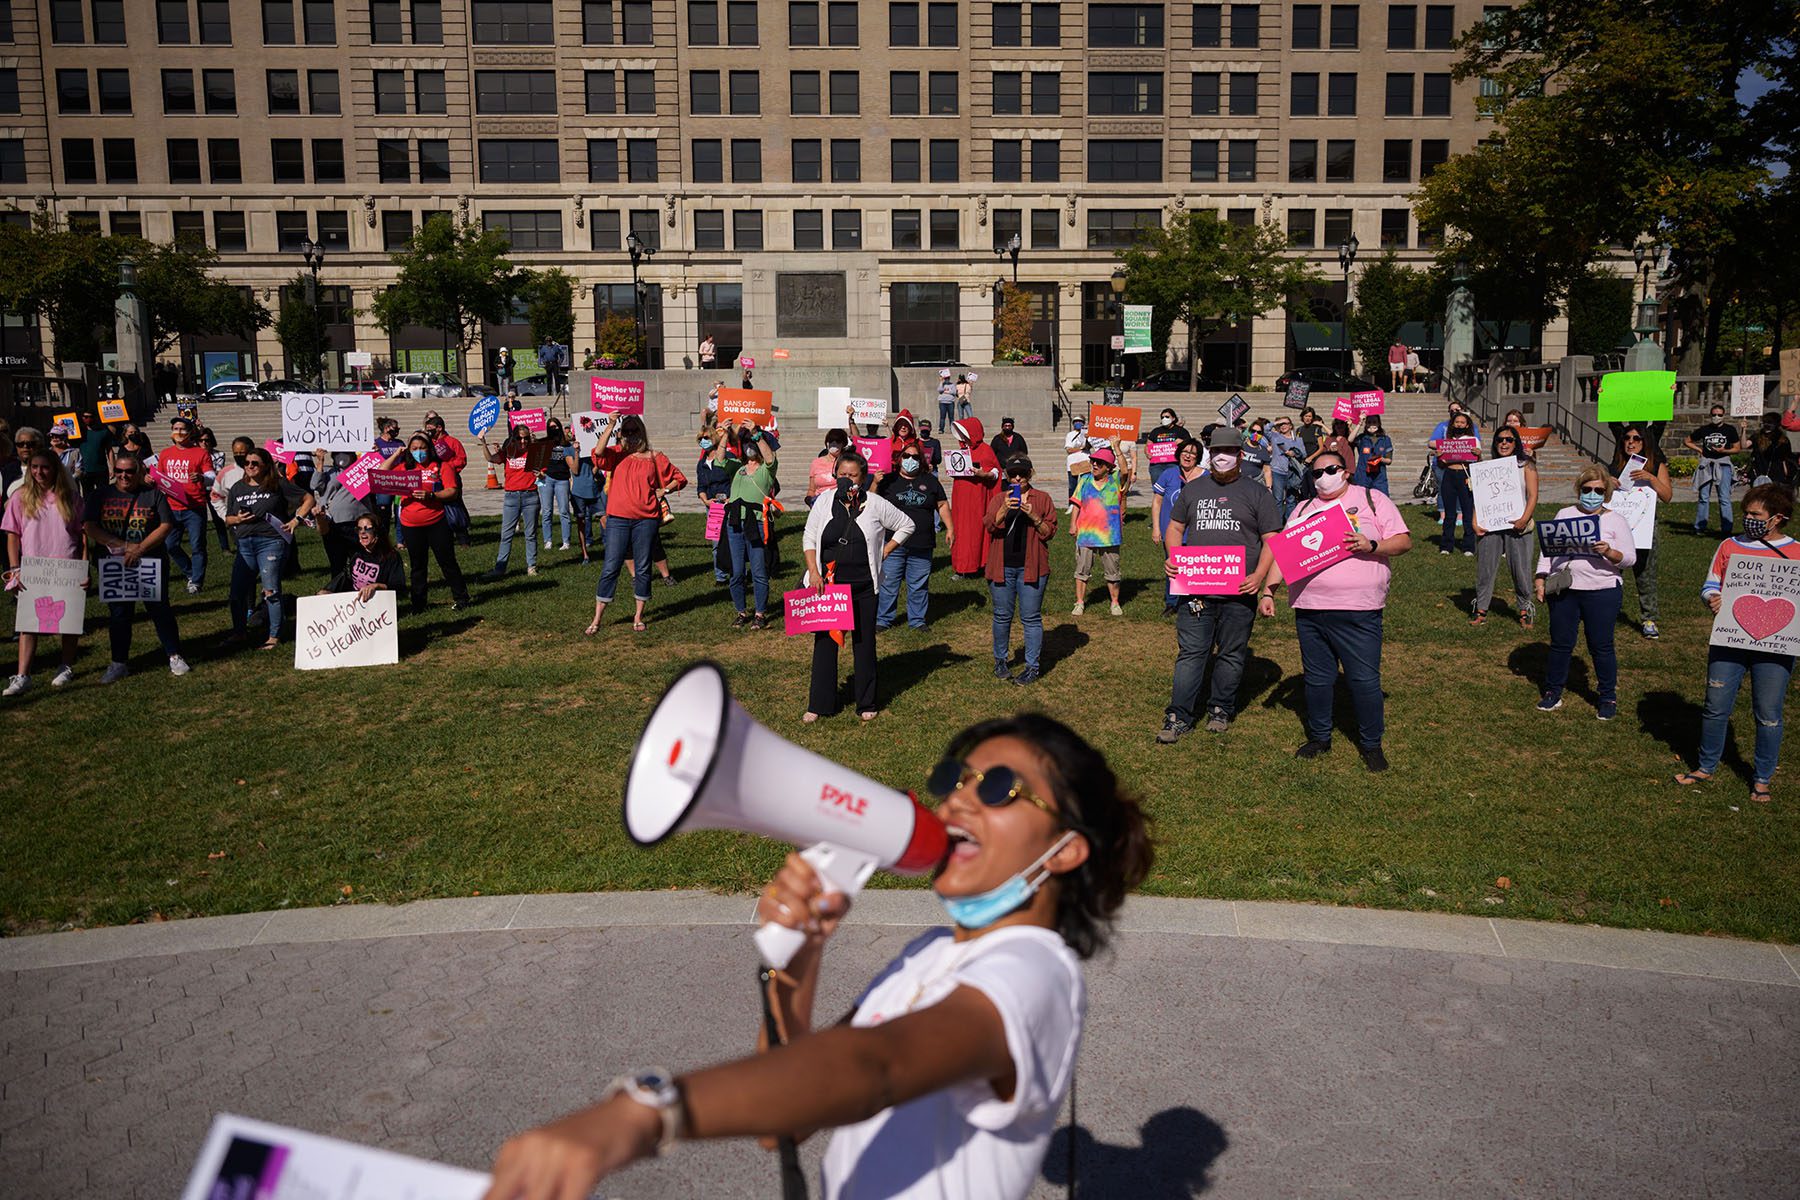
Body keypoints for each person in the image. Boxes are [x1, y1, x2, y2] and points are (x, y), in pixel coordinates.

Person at [483, 712, 1153, 1200]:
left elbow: (874, 1067)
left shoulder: (1037, 973)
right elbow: (790, 1123)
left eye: (1000, 786)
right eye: (956, 777)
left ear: (1066, 850)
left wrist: (646, 1110)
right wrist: (799, 953)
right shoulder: (930, 954)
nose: (957, 799)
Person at [1268, 448, 1413, 770]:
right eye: (1316, 473)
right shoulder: (1303, 508)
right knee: (1318, 680)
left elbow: (1403, 541)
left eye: (1330, 469)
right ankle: (1320, 737)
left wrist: (1372, 545)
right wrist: (1269, 590)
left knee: (1363, 680)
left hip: (1359, 609)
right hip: (1310, 608)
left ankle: (1371, 743)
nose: (1323, 477)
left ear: (1345, 471)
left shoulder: (1372, 499)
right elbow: (1286, 553)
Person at [1675, 484, 1798, 801]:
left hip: (1776, 646)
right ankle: (1705, 766)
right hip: (1730, 639)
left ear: (1777, 518)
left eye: (1756, 514)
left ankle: (1762, 778)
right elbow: (1710, 583)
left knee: (1768, 712)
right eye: (1746, 513)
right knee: (1715, 706)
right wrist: (1712, 597)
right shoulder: (1729, 546)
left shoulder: (1796, 552)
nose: (1749, 519)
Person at [1158, 427, 1282, 740]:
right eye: (1215, 451)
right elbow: (1174, 528)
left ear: (1240, 455)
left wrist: (1259, 576)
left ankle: (1220, 708)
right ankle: (1179, 715)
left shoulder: (1258, 494)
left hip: (1240, 592)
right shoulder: (1193, 489)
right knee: (1191, 653)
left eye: (1227, 451)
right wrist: (1174, 556)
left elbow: (1273, 540)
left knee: (1231, 653)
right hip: (1196, 588)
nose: (1221, 457)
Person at [801, 450, 913, 721]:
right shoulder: (824, 501)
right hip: (829, 587)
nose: (847, 480)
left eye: (852, 475)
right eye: (842, 474)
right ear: (834, 475)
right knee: (825, 644)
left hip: (864, 585)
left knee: (864, 644)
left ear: (863, 478)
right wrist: (813, 572)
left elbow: (906, 524)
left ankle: (866, 703)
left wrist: (885, 549)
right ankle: (820, 703)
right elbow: (810, 537)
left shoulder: (874, 503)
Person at [1533, 466, 1635, 719]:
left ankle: (1607, 696)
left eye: (1598, 490)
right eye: (1587, 489)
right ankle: (1552, 691)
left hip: (1602, 591)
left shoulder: (1616, 520)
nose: (1592, 494)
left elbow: (1629, 559)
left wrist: (1609, 552)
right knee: (1560, 644)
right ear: (1579, 490)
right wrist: (1540, 577)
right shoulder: (1564, 513)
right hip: (1565, 589)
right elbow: (1549, 550)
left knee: (1601, 646)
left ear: (1606, 493)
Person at [84, 450, 191, 682]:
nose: (124, 476)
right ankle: (118, 662)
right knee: (120, 614)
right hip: (115, 562)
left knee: (159, 609)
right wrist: (123, 546)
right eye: (120, 471)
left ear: (140, 472)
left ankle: (174, 655)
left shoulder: (153, 495)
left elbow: (165, 526)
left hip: (150, 560)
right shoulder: (100, 495)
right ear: (114, 472)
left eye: (129, 471)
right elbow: (90, 527)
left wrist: (139, 548)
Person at [588, 415, 687, 634]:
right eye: (627, 431)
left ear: (642, 432)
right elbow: (598, 453)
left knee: (642, 567)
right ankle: (597, 618)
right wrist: (612, 425)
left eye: (635, 431)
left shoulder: (655, 457)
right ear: (621, 434)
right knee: (611, 566)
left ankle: (638, 615)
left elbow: (679, 478)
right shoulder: (616, 454)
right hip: (617, 519)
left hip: (646, 520)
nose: (631, 435)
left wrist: (664, 490)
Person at [3, 448, 86, 695]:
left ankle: (66, 666)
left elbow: (83, 534)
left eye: (45, 467)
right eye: (35, 467)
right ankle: (22, 675)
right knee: (29, 623)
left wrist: (84, 566)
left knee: (68, 622)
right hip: (33, 566)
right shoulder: (20, 497)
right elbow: (12, 535)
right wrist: (14, 568)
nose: (39, 472)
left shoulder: (70, 497)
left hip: (67, 565)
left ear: (55, 469)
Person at [223, 447, 316, 650]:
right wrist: (237, 518)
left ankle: (274, 635)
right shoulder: (238, 488)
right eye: (246, 463)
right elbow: (227, 519)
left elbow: (309, 498)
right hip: (245, 544)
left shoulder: (277, 484)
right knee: (237, 592)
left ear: (265, 465)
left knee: (270, 590)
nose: (249, 467)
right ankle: (239, 632)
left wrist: (296, 520)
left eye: (255, 463)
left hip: (271, 542)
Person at [986, 455, 1059, 685]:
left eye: (1023, 474)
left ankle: (1032, 667)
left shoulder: (1042, 498)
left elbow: (1050, 532)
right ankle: (1000, 661)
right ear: (1007, 476)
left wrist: (1033, 515)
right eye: (1013, 474)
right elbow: (989, 525)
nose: (1018, 478)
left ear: (1030, 474)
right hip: (1002, 567)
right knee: (1001, 616)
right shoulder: (999, 498)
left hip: (1032, 568)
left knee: (1031, 618)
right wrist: (1003, 510)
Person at [384, 433, 472, 614]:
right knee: (418, 565)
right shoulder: (405, 467)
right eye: (414, 449)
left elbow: (452, 492)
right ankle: (418, 604)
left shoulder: (441, 466)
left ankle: (461, 597)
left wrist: (432, 495)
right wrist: (396, 454)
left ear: (429, 449)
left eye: (422, 448)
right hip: (410, 524)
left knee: (447, 561)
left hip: (436, 522)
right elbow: (382, 473)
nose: (418, 452)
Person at [875, 444, 953, 630]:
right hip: (893, 542)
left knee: (918, 583)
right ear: (900, 458)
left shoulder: (930, 481)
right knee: (889, 582)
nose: (911, 460)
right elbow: (871, 500)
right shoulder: (888, 480)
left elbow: (942, 505)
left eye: (916, 457)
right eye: (907, 456)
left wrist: (950, 528)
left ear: (921, 460)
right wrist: (875, 482)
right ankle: (883, 619)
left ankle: (917, 620)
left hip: (922, 542)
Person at [1471, 427, 1541, 628]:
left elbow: (1533, 495)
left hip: (1518, 527)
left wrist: (1524, 519)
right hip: (1491, 526)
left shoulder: (1526, 465)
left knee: (1521, 569)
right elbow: (1480, 497)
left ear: (1515, 442)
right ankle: (1481, 608)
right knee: (1485, 568)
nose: (1504, 443)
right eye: (1500, 439)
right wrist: (1475, 521)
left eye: (1509, 440)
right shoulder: (1486, 467)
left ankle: (1525, 609)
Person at [1610, 424, 1673, 639]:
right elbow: (1602, 499)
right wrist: (1607, 484)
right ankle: (1609, 612)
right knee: (1612, 572)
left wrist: (1651, 478)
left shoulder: (1656, 466)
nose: (1631, 442)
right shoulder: (1615, 466)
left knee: (1645, 574)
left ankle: (1649, 618)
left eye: (1637, 438)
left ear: (1644, 442)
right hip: (1618, 529)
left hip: (1644, 529)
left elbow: (1667, 496)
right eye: (1627, 438)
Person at [721, 434, 779, 630]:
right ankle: (741, 612)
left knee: (758, 571)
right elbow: (720, 459)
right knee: (737, 572)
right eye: (747, 444)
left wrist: (757, 435)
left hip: (755, 523)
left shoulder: (765, 471)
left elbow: (770, 459)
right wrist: (723, 436)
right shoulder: (737, 467)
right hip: (735, 522)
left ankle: (760, 614)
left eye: (752, 444)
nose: (749, 448)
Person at [1150, 437, 1207, 616]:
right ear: (1178, 453)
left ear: (1198, 457)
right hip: (1171, 531)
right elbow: (1157, 502)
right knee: (1173, 568)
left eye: (1192, 453)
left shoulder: (1206, 477)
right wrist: (1156, 528)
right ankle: (1172, 602)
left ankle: (1195, 601)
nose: (1188, 456)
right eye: (1185, 452)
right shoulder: (1169, 474)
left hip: (1196, 533)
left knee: (1196, 568)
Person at [156, 417, 214, 595]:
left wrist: (202, 478)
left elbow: (212, 475)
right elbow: (160, 477)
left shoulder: (200, 453)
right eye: (175, 428)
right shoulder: (165, 454)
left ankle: (196, 581)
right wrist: (151, 479)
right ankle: (190, 572)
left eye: (182, 429)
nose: (179, 432)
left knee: (197, 546)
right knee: (169, 545)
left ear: (190, 432)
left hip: (194, 506)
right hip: (171, 507)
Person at [483, 422, 544, 579]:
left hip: (530, 496)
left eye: (525, 438)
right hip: (511, 497)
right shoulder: (508, 452)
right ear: (514, 439)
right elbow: (491, 458)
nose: (522, 441)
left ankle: (531, 566)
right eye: (519, 438)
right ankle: (500, 568)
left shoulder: (534, 452)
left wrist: (540, 475)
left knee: (530, 534)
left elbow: (543, 475)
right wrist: (483, 442)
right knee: (506, 534)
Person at [1067, 446, 1123, 617]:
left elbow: (1126, 469)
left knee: (1112, 571)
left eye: (1099, 462)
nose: (1095, 464)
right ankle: (1079, 602)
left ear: (1109, 466)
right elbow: (1077, 503)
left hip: (1110, 535)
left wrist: (1117, 448)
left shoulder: (1115, 480)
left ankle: (1115, 602)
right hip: (1086, 533)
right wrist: (1073, 524)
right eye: (1093, 461)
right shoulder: (1084, 480)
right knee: (1082, 570)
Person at [949, 418, 1001, 578]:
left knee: (976, 531)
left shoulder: (985, 450)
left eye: (965, 434)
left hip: (977, 498)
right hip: (960, 498)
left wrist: (984, 474)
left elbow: (996, 472)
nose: (963, 438)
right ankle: (961, 566)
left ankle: (978, 564)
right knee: (960, 530)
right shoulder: (961, 451)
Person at [311, 451, 375, 580]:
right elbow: (315, 485)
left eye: (346, 452)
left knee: (360, 560)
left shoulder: (362, 470)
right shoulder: (329, 471)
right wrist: (320, 461)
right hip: (333, 523)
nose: (342, 456)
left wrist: (373, 455)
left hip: (357, 522)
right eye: (339, 453)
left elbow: (379, 472)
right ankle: (339, 589)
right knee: (337, 561)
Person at [321, 512, 406, 603]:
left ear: (377, 532)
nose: (362, 532)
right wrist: (329, 591)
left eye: (367, 529)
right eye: (359, 529)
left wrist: (376, 586)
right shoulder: (356, 551)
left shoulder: (391, 556)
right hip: (353, 601)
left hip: (377, 603)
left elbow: (399, 587)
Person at [1684, 404, 1742, 535]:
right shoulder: (1704, 429)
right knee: (1704, 497)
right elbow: (1687, 441)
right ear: (1710, 415)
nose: (1717, 417)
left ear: (1723, 416)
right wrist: (1700, 450)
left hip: (1723, 464)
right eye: (1714, 414)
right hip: (1707, 464)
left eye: (1719, 415)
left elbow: (1737, 449)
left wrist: (1724, 450)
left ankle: (1727, 529)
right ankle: (1700, 526)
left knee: (1724, 498)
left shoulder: (1730, 430)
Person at [1432, 410, 1481, 555]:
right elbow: (1442, 465)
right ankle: (1446, 545)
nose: (1459, 424)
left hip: (1465, 475)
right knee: (1449, 513)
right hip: (1449, 474)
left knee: (1467, 511)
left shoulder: (1473, 440)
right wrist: (1440, 457)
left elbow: (1477, 461)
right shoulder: (1447, 441)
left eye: (1462, 422)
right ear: (1453, 424)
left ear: (1467, 425)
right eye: (1457, 422)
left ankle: (1468, 546)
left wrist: (1478, 454)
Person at [423, 412, 473, 547]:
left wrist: (447, 466)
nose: (428, 431)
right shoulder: (428, 443)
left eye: (430, 428)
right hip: (434, 479)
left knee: (455, 507)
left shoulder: (453, 442)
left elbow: (462, 459)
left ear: (439, 428)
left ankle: (463, 539)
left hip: (451, 478)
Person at [570, 423, 605, 566]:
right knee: (581, 523)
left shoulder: (592, 447)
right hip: (578, 492)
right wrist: (577, 452)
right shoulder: (569, 450)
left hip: (594, 490)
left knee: (605, 519)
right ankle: (585, 553)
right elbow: (575, 470)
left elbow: (599, 463)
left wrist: (594, 469)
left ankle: (613, 550)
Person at [537, 418, 573, 552]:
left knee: (564, 511)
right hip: (547, 478)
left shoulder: (567, 444)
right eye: (551, 427)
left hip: (562, 479)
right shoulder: (544, 442)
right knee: (547, 511)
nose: (554, 429)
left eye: (556, 426)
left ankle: (566, 541)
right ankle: (548, 540)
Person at [1268, 415, 1305, 519]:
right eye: (1281, 424)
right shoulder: (1275, 436)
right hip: (1277, 471)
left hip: (1292, 473)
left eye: (1286, 423)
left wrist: (1294, 453)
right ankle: (1277, 524)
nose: (1283, 426)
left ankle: (1289, 523)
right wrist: (1276, 422)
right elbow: (1265, 428)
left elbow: (1304, 453)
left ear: (1291, 426)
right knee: (1278, 499)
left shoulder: (1297, 439)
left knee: (1291, 499)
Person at [1351, 415, 1394, 497]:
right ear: (1366, 424)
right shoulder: (1362, 438)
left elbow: (1389, 460)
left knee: (1382, 500)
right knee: (1360, 500)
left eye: (1374, 422)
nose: (1371, 425)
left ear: (1379, 423)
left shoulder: (1385, 439)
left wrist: (1380, 459)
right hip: (1363, 475)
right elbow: (1350, 439)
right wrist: (1360, 423)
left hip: (1379, 477)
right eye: (1369, 422)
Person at [809, 429, 848, 505]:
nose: (834, 444)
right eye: (831, 441)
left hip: (839, 503)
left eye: (837, 442)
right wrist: (809, 499)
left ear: (843, 444)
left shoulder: (846, 462)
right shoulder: (816, 463)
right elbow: (811, 489)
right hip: (819, 503)